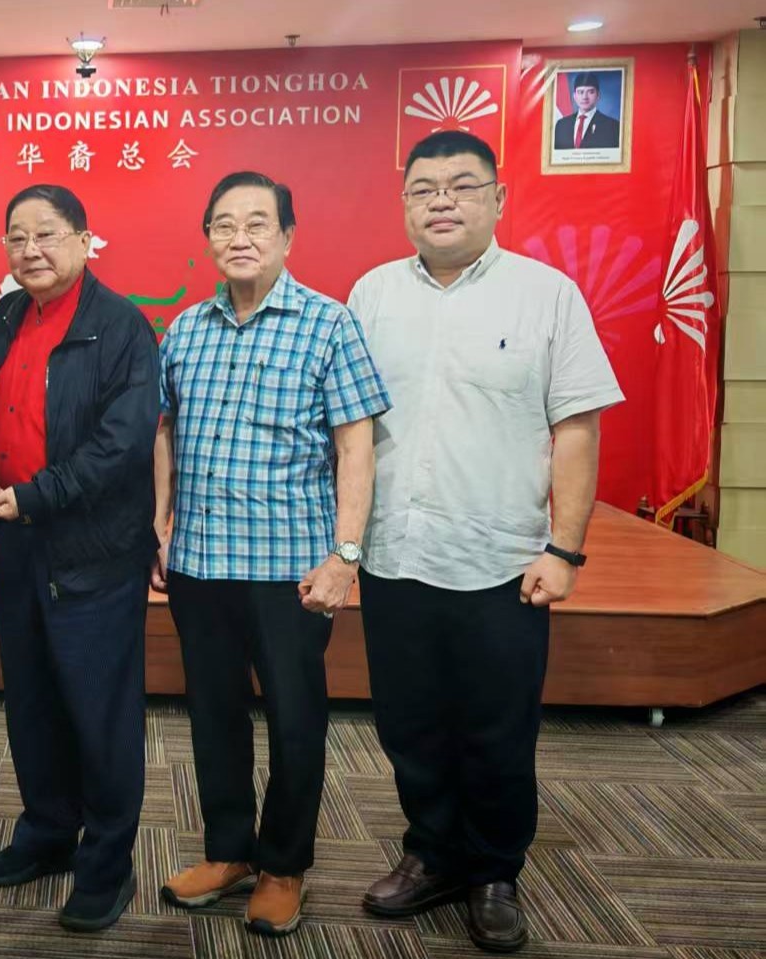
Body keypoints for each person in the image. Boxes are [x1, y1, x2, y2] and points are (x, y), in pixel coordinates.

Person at [347, 130, 622, 953]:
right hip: (394, 554)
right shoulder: (370, 295)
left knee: (498, 728)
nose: (441, 200)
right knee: (409, 723)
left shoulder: (547, 295)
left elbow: (576, 428)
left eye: (462, 186)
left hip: (502, 561)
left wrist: (564, 550)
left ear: (498, 200)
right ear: (403, 204)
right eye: (423, 187)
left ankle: (496, 868)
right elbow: (348, 429)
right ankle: (432, 852)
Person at [155, 172, 389, 937]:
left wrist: (345, 553)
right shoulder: (185, 328)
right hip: (199, 563)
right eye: (224, 224)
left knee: (295, 721)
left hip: (291, 570)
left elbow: (357, 440)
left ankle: (284, 864)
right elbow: (163, 430)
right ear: (209, 239)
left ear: (288, 236)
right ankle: (229, 850)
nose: (240, 237)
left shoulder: (329, 324)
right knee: (213, 715)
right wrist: (160, 523)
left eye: (258, 223)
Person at [0, 185, 159, 933]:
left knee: (99, 713)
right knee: (32, 701)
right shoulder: (8, 314)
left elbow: (123, 442)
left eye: (46, 235)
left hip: (92, 551)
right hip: (17, 543)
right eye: (16, 237)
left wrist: (38, 495)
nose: (30, 251)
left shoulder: (120, 326)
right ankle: (47, 833)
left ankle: (106, 862)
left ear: (84, 240)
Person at [552, 72, 620, 150]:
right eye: (581, 92)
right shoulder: (561, 125)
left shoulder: (613, 127)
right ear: (574, 96)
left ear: (598, 95)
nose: (585, 97)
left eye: (590, 92)